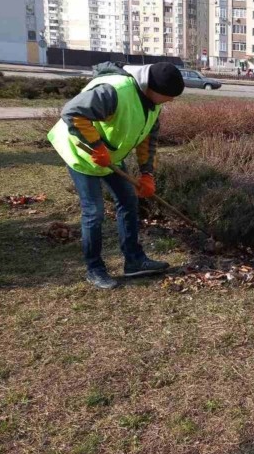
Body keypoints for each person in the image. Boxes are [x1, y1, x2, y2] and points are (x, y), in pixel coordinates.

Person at [48, 62, 185, 289]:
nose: (170, 101)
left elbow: (147, 140)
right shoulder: (115, 90)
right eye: (168, 96)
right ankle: (95, 269)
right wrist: (96, 145)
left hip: (109, 156)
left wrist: (147, 174)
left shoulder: (153, 103)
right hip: (80, 151)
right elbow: (72, 112)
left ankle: (134, 261)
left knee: (128, 201)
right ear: (152, 87)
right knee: (94, 212)